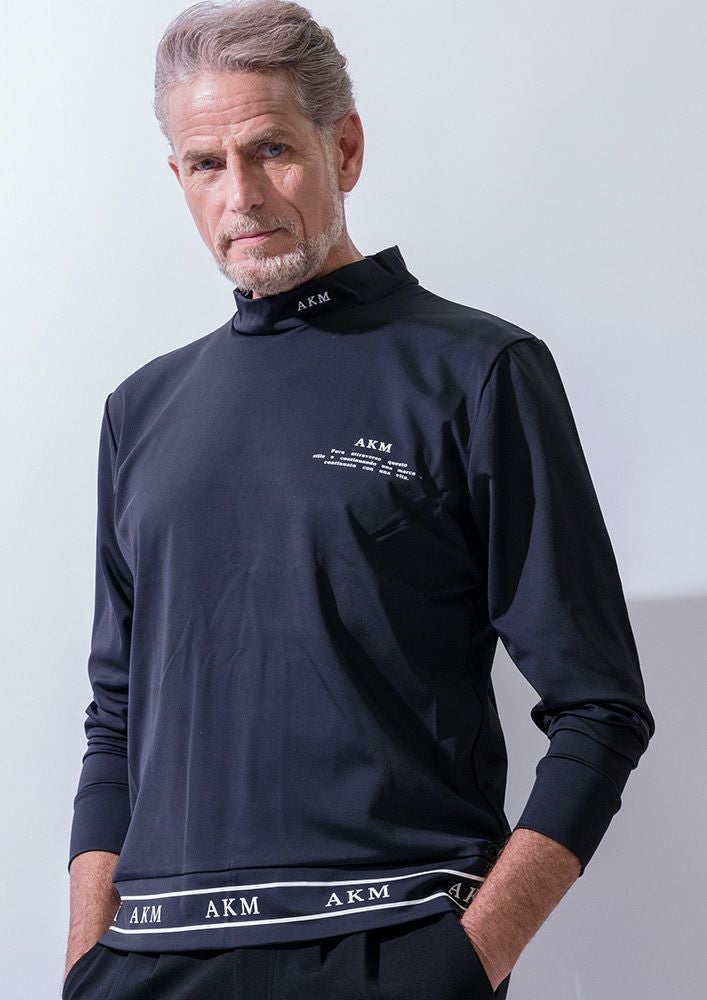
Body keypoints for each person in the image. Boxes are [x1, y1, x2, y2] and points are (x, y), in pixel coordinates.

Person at [62, 1, 656, 997]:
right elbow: (115, 718)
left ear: (343, 148)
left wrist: (464, 960)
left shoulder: (476, 372)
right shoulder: (141, 409)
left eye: (271, 150)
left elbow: (598, 708)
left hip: (385, 943)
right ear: (179, 178)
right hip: (147, 956)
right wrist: (86, 962)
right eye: (206, 164)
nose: (242, 195)